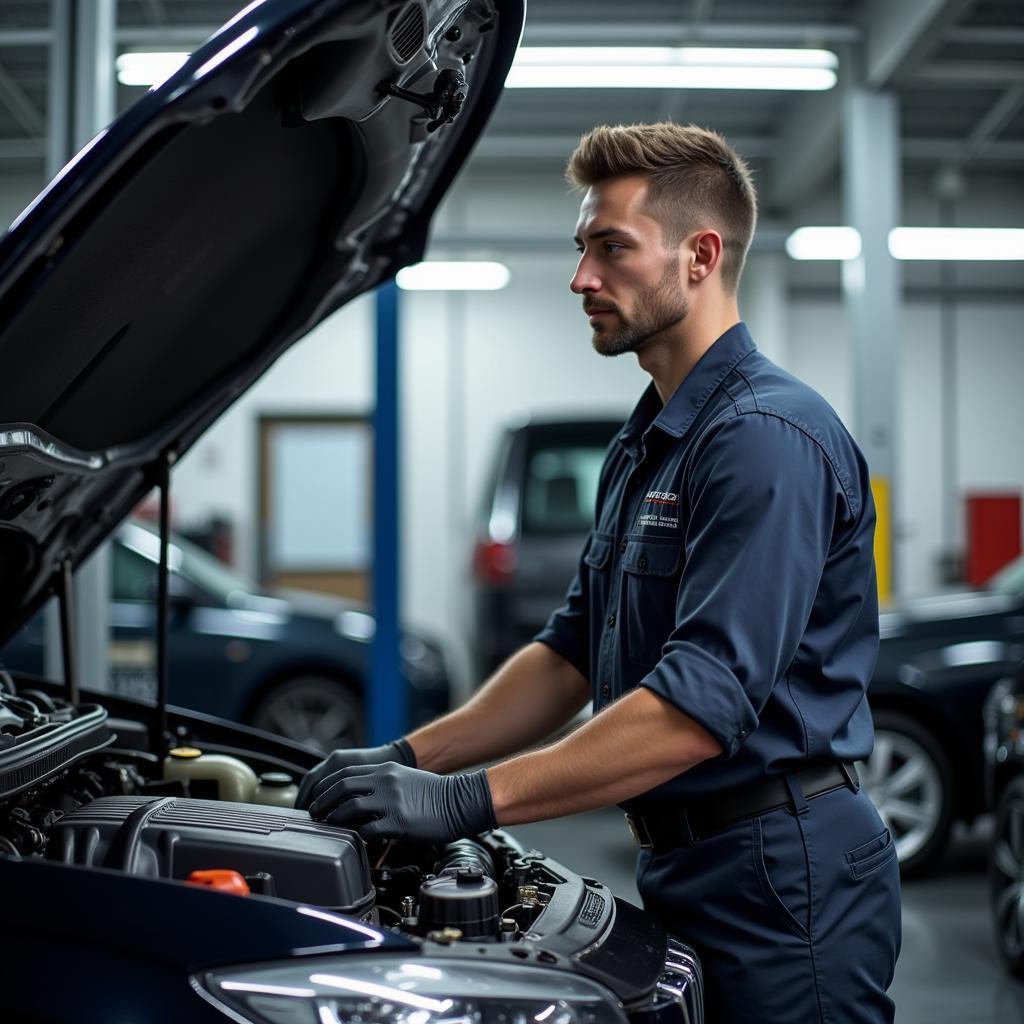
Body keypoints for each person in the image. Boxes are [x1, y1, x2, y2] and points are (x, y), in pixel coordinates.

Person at [298, 122, 902, 1023]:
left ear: (700, 256)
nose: (582, 278)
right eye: (583, 248)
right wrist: (409, 757)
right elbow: (571, 651)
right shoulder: (647, 439)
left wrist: (465, 800)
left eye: (612, 247)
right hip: (690, 860)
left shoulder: (764, 440)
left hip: (785, 874)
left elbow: (696, 712)